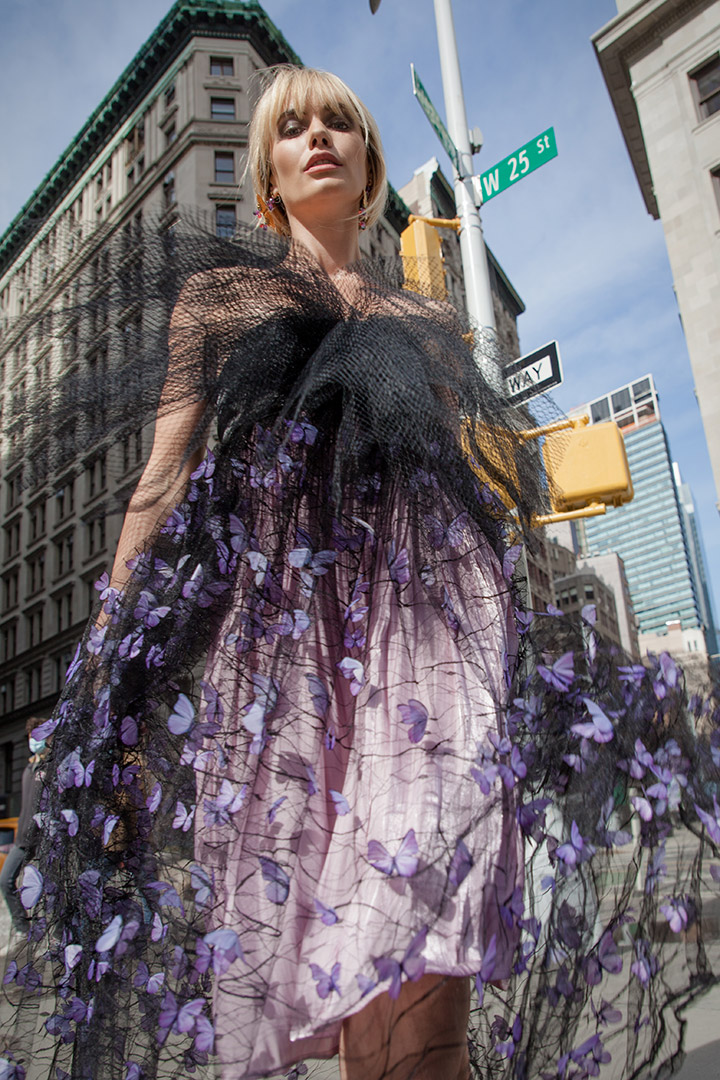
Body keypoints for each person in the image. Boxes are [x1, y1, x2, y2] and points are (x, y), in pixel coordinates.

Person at [2, 65, 719, 1080]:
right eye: (291, 129)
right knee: (349, 957)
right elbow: (161, 482)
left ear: (371, 164)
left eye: (340, 121)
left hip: (421, 640)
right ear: (269, 181)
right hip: (286, 659)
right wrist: (111, 667)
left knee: (426, 934)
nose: (319, 137)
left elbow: (464, 490)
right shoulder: (220, 296)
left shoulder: (424, 324)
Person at [0, 719, 47, 935]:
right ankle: (22, 928)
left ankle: (52, 932)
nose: (33, 740)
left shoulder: (49, 767)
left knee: (48, 889)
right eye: (31, 736)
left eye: (38, 735)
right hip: (21, 840)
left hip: (42, 842)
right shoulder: (28, 769)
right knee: (6, 881)